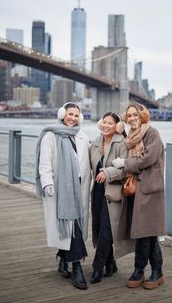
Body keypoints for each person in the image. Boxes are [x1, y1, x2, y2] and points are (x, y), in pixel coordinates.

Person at [35, 102, 91, 290]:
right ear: (62, 114)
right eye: (70, 114)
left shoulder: (81, 136)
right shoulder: (50, 135)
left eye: (76, 115)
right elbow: (44, 163)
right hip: (60, 189)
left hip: (78, 190)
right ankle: (76, 267)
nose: (73, 118)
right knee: (71, 226)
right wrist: (47, 183)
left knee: (72, 227)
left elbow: (89, 160)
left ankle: (62, 259)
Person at [112, 102, 165, 290]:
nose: (132, 119)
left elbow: (148, 158)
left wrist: (124, 163)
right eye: (129, 116)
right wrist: (119, 125)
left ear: (142, 116)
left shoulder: (152, 133)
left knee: (145, 232)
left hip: (150, 190)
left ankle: (139, 269)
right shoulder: (132, 136)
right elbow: (119, 134)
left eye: (135, 115)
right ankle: (156, 271)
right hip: (136, 189)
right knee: (148, 233)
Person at [89, 112, 134, 284]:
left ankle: (97, 268)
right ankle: (111, 263)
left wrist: (107, 173)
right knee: (99, 228)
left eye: (110, 123)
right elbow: (87, 164)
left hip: (114, 193)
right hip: (98, 191)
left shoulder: (121, 143)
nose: (106, 125)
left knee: (107, 230)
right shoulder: (95, 142)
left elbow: (125, 168)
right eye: (104, 122)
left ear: (117, 126)